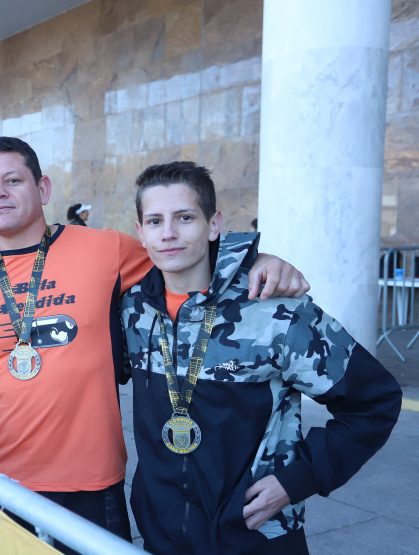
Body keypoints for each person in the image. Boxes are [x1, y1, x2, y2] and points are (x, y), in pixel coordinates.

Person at [0, 137, 308, 555]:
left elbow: (186, 252)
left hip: (91, 485)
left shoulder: (106, 249)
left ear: (43, 189)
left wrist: (257, 259)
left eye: (12, 179)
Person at [122, 161, 402, 554]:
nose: (168, 233)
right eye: (154, 221)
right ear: (141, 232)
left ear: (214, 224)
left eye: (185, 217)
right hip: (162, 531)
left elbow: (375, 402)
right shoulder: (132, 310)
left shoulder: (278, 312)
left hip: (254, 533)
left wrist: (296, 480)